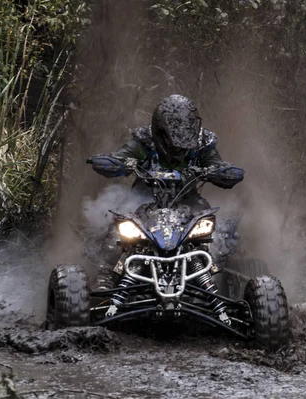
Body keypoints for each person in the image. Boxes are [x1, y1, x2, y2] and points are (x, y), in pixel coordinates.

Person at [88, 94, 244, 289]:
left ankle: (209, 276)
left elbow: (216, 164)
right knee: (116, 229)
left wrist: (222, 172)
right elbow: (122, 156)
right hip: (143, 203)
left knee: (217, 233)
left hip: (189, 203)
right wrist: (113, 162)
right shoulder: (144, 142)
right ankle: (105, 278)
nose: (178, 152)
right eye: (172, 142)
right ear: (160, 132)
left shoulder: (203, 144)